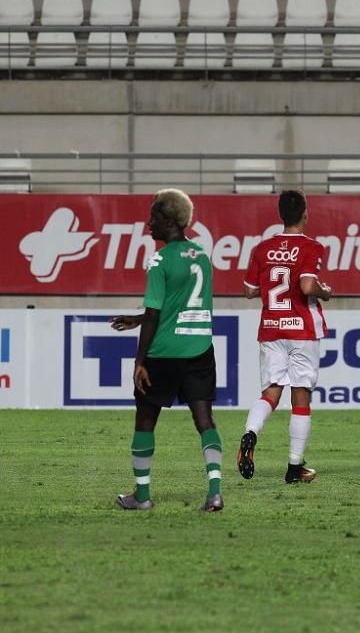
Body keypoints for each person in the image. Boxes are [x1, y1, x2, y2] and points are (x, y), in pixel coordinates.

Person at [110, 189, 224, 512]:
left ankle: (142, 497)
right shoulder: (202, 254)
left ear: (170, 221)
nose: (149, 223)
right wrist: (137, 319)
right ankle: (215, 493)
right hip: (199, 349)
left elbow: (157, 314)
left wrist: (139, 361)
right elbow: (177, 305)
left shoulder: (159, 259)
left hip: (163, 353)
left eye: (154, 217)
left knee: (145, 421)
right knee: (205, 421)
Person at [237, 190, 332, 484]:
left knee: (270, 393)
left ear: (280, 215)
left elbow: (250, 290)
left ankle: (250, 433)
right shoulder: (312, 247)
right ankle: (294, 468)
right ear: (306, 213)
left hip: (272, 327)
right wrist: (324, 291)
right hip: (301, 329)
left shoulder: (262, 248)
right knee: (300, 397)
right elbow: (306, 286)